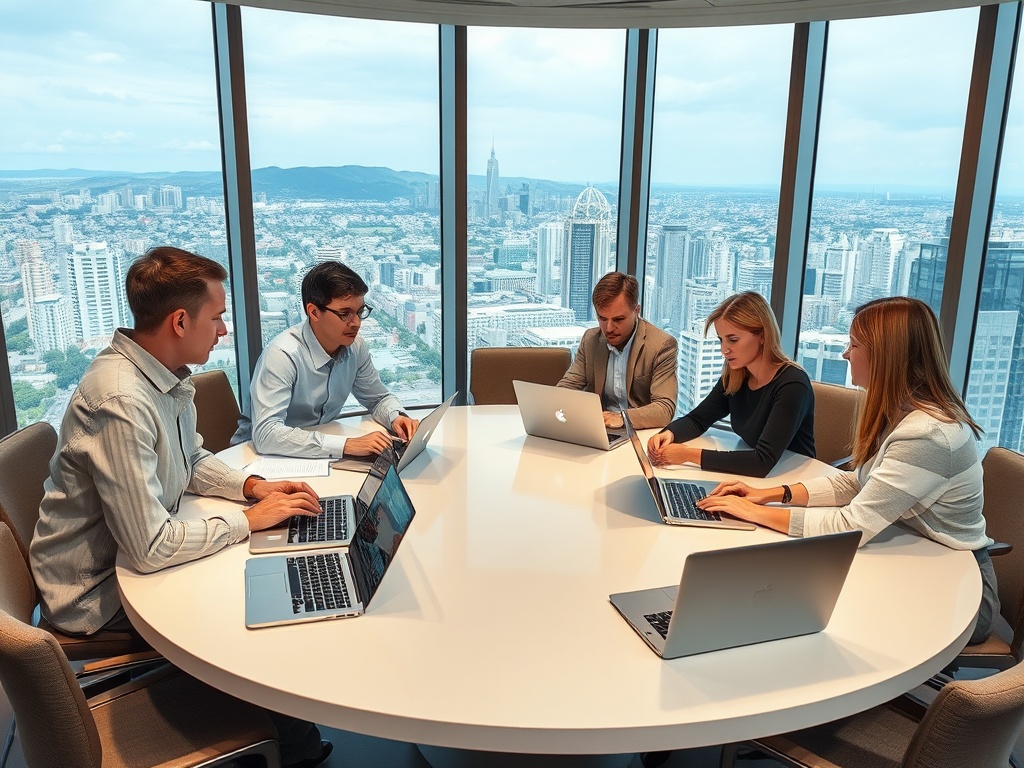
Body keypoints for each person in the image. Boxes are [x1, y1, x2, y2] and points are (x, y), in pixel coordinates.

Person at [30, 246, 333, 767]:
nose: (221, 330)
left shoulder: (166, 377)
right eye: (215, 317)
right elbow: (148, 547)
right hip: (97, 591)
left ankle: (293, 736)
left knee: (267, 574)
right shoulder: (122, 400)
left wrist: (253, 488)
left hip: (130, 557)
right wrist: (245, 521)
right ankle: (292, 745)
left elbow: (190, 459)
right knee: (252, 608)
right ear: (179, 320)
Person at [698, 296, 998, 644]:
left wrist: (752, 512)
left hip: (961, 590)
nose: (845, 354)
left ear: (886, 355)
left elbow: (852, 525)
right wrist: (771, 495)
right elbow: (859, 482)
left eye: (853, 345)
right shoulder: (902, 412)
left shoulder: (927, 434)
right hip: (910, 553)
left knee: (809, 603)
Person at [233, 261, 419, 459]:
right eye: (344, 313)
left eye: (359, 312)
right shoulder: (282, 355)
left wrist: (396, 417)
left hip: (319, 454)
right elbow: (267, 434)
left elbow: (378, 399)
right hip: (259, 458)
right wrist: (346, 445)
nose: (355, 323)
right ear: (314, 312)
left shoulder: (355, 347)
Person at [647, 291, 814, 478]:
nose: (724, 350)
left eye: (733, 340)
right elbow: (698, 419)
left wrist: (687, 455)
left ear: (762, 336)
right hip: (754, 479)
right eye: (721, 340)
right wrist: (670, 434)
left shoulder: (793, 385)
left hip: (792, 481)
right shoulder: (736, 375)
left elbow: (762, 462)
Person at [556, 271, 677, 430]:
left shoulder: (661, 345)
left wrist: (622, 417)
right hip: (599, 429)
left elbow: (664, 409)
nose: (609, 328)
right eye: (602, 318)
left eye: (618, 319)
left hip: (640, 432)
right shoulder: (590, 339)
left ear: (636, 311)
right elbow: (568, 387)